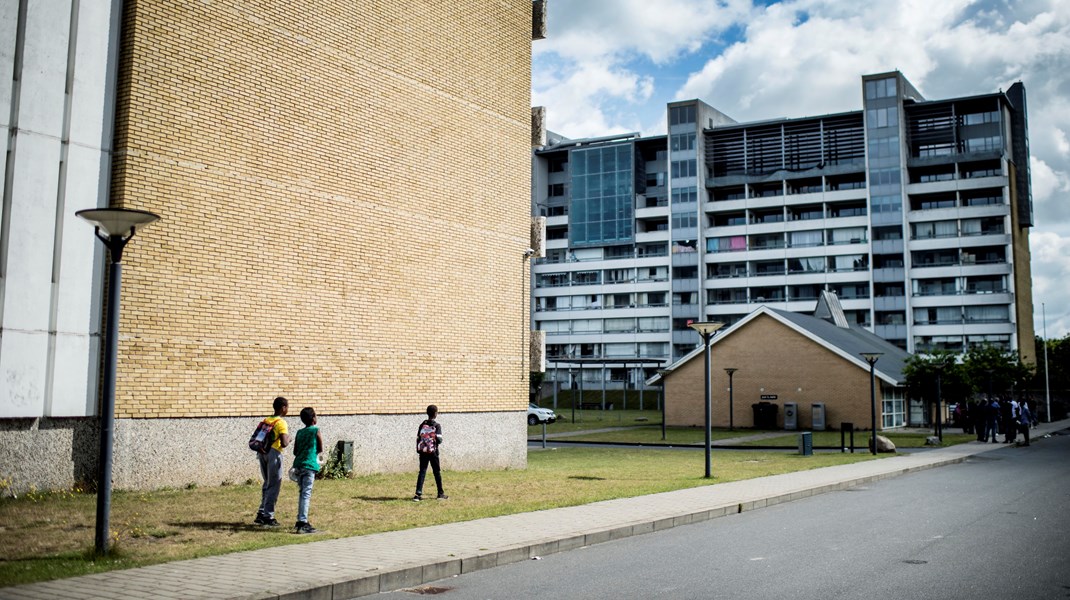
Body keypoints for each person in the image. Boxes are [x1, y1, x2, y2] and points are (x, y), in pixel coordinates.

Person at [255, 396, 291, 527]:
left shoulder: (267, 420)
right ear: (283, 408)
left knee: (267, 483)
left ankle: (261, 512)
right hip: (274, 453)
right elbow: (285, 443)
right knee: (274, 485)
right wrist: (290, 438)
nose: (288, 410)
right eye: (287, 407)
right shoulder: (281, 422)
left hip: (262, 452)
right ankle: (268, 516)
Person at [291, 407, 324, 534]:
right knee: (306, 494)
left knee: (302, 493)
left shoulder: (299, 432)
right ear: (313, 418)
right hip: (309, 465)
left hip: (298, 465)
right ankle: (302, 522)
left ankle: (300, 519)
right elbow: (320, 448)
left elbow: (295, 451)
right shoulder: (316, 430)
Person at [413, 404, 447, 501]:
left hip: (423, 452)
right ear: (435, 414)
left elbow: (418, 437)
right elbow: (439, 440)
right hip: (433, 452)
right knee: (436, 472)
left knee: (422, 472)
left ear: (427, 413)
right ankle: (440, 493)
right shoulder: (437, 426)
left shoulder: (422, 425)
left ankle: (418, 494)